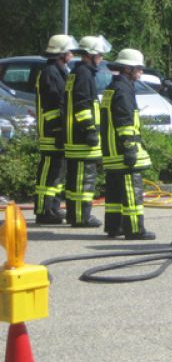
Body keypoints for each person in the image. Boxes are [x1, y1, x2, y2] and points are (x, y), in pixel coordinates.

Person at [100, 48, 155, 240]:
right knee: (132, 192)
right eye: (138, 68)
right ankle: (134, 229)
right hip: (123, 152)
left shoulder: (112, 87)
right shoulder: (123, 89)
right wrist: (130, 147)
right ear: (127, 69)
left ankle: (114, 227)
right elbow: (124, 121)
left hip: (112, 151)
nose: (140, 72)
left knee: (114, 194)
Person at [64, 35, 111, 228]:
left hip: (75, 136)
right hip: (82, 138)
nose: (101, 58)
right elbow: (82, 104)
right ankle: (81, 217)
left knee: (75, 180)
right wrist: (90, 129)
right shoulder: (84, 74)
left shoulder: (78, 72)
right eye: (99, 54)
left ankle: (74, 214)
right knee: (84, 180)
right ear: (90, 55)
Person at [33, 34, 79, 225]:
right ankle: (43, 210)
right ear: (61, 53)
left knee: (57, 171)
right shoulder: (51, 72)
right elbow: (54, 104)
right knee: (49, 170)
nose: (72, 54)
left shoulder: (57, 70)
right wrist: (59, 129)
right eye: (69, 51)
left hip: (57, 130)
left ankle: (53, 207)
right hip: (51, 131)